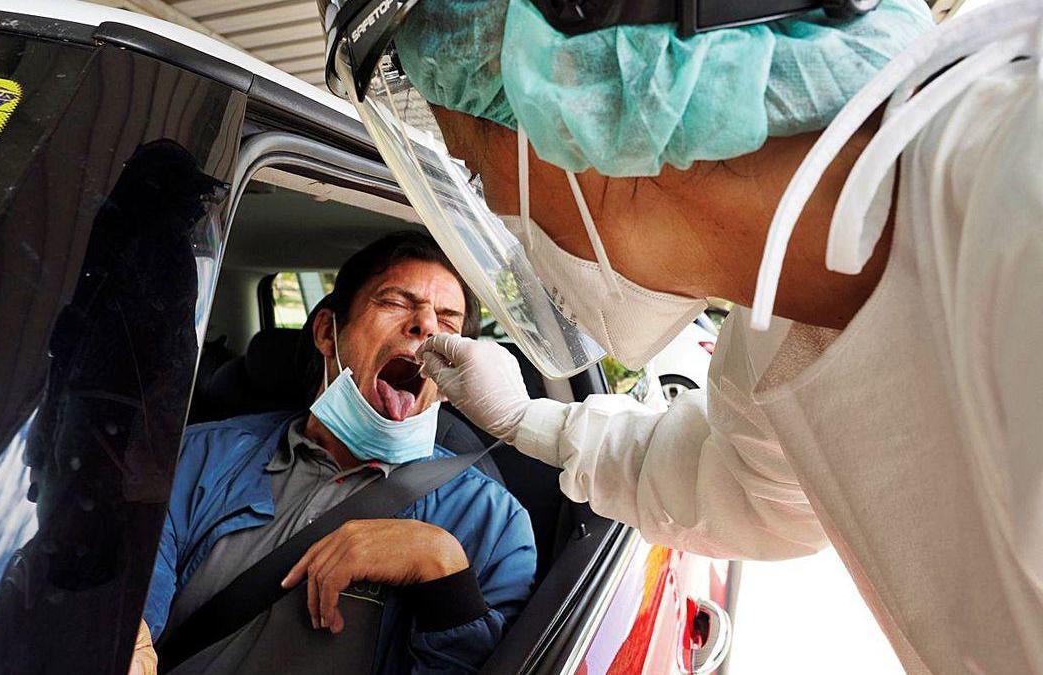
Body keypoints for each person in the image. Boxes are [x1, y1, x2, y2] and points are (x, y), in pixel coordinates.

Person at [317, 0, 1043, 672]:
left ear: (591, 99)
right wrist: (525, 419)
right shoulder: (775, 330)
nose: (498, 210)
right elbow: (726, 484)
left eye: (478, 173)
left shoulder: (1017, 192)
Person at [136, 231, 536, 673]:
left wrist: (441, 566)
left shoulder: (494, 522)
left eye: (448, 320)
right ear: (327, 332)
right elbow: (131, 586)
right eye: (396, 302)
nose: (425, 325)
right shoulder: (199, 455)